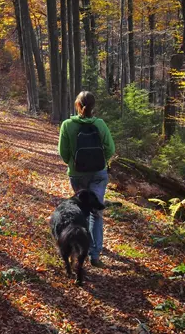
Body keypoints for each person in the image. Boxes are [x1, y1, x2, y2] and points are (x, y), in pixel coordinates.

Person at [58, 91, 115, 267]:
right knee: (96, 213)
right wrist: (99, 162)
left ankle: (79, 248)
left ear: (77, 105)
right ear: (93, 106)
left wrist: (75, 164)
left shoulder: (67, 125)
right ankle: (95, 254)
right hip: (98, 173)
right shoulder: (100, 124)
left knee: (82, 211)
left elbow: (63, 152)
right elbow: (110, 149)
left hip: (77, 174)